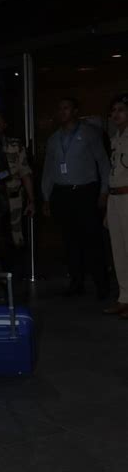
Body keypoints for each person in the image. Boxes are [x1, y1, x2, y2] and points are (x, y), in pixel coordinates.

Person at [41, 97, 110, 297]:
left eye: (66, 108)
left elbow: (103, 163)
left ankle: (102, 285)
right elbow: (48, 171)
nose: (62, 112)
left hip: (86, 192)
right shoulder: (53, 139)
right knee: (70, 241)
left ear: (75, 111)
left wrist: (104, 191)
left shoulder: (90, 134)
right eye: (59, 108)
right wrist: (46, 198)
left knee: (93, 240)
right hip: (62, 194)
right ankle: (76, 283)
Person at [0, 111, 35, 270]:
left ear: (5, 124)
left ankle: (18, 276)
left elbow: (25, 172)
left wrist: (31, 200)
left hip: (14, 200)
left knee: (16, 239)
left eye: (0, 120)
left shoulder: (15, 145)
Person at [103, 93, 128, 318]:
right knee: (118, 250)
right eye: (114, 111)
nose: (116, 114)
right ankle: (124, 298)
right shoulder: (115, 137)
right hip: (115, 198)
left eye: (121, 109)